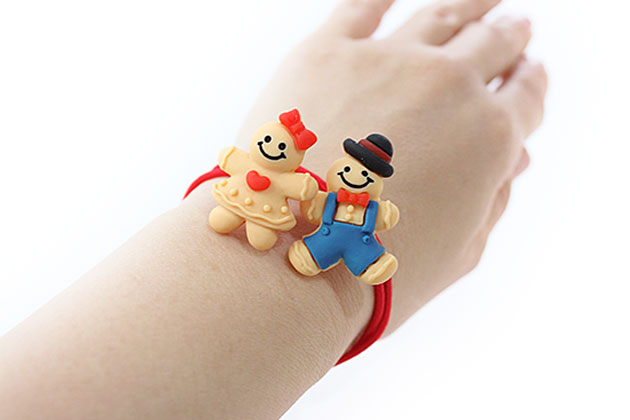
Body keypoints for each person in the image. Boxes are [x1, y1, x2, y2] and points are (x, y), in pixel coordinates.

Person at [0, 0, 547, 418]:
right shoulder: (277, 170)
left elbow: (336, 200)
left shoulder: (347, 196)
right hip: (266, 216)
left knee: (337, 247)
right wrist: (284, 299)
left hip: (341, 236)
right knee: (276, 235)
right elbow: (247, 167)